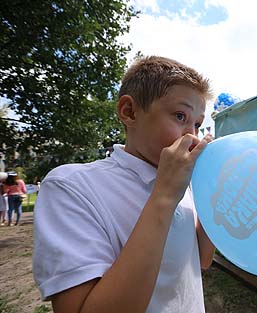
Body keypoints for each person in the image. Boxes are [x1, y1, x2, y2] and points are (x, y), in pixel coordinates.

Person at [33, 56, 216, 313]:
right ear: (129, 112)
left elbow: (200, 261)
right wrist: (164, 195)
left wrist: (215, 199)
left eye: (197, 123)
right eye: (179, 115)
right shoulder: (71, 186)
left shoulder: (183, 185)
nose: (192, 135)